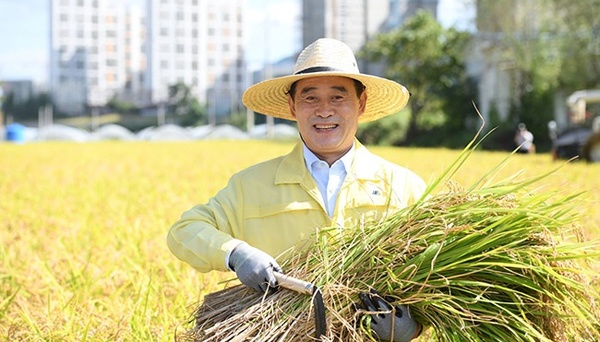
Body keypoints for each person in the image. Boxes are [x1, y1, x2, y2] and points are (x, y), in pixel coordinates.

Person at [167, 38, 425, 342]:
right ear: (292, 106)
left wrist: (412, 328)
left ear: (362, 103)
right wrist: (236, 253)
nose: (324, 111)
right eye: (310, 98)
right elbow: (185, 231)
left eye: (338, 97)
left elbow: (440, 279)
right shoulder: (251, 186)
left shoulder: (405, 187)